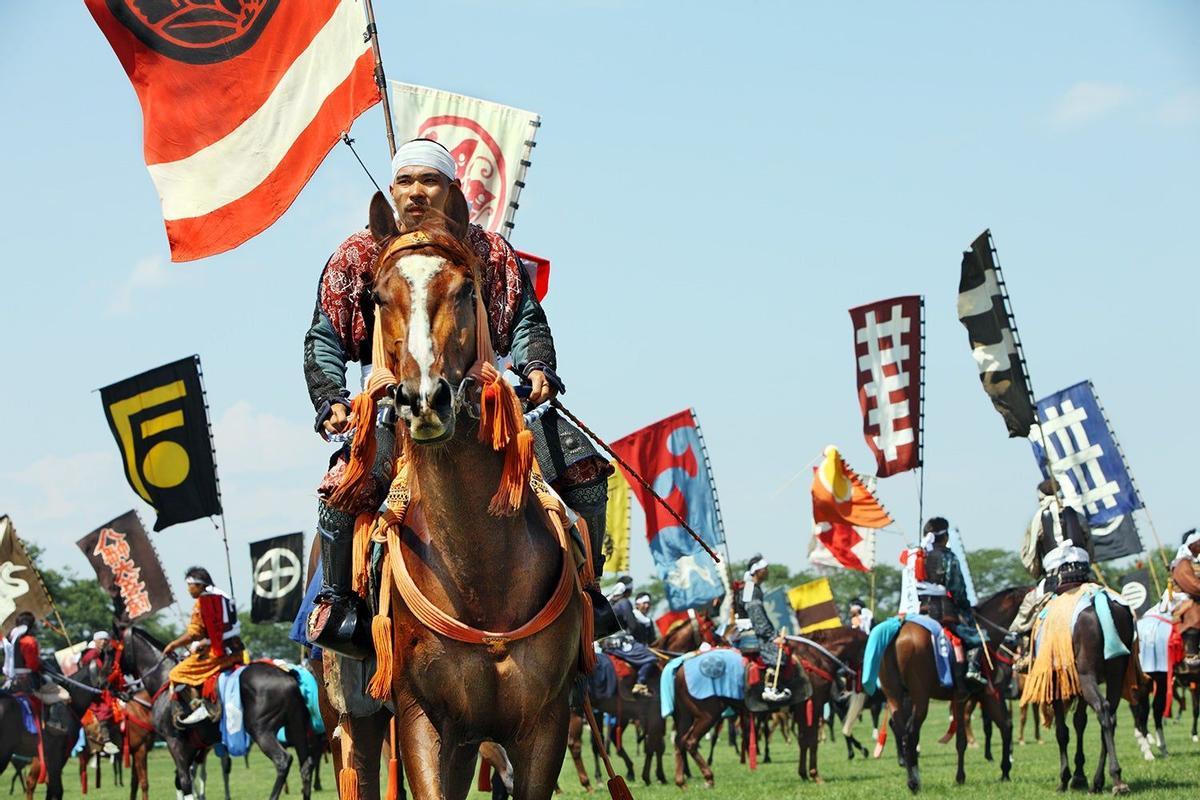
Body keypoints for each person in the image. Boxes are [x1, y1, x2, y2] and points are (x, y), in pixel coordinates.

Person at [303, 138, 615, 658]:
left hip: (486, 399)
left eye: (429, 181)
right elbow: (325, 337)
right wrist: (331, 395)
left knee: (582, 463)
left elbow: (525, 320)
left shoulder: (489, 251)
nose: (416, 193)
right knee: (341, 488)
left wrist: (537, 365)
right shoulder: (359, 254)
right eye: (405, 182)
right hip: (396, 400)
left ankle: (590, 591)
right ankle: (341, 605)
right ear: (392, 192)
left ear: (452, 191)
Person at [1011, 479, 1095, 646]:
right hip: (1085, 575)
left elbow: (1029, 555)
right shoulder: (1077, 516)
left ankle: (1024, 655)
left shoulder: (1038, 520)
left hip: (1055, 581)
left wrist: (1036, 572)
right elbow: (1090, 546)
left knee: (1026, 612)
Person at [162, 567, 243, 726]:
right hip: (237, 650)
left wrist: (173, 645)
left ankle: (200, 705)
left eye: (189, 585)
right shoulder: (223, 596)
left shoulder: (202, 602)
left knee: (175, 673)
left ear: (199, 585)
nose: (188, 590)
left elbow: (195, 634)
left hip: (219, 654)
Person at [918, 518, 985, 686]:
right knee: (978, 637)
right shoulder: (948, 557)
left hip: (918, 610)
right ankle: (973, 670)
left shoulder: (918, 555)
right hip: (942, 611)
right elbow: (957, 588)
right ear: (945, 536)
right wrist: (965, 606)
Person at [743, 554, 790, 702]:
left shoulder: (752, 587)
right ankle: (770, 688)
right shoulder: (751, 588)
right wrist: (772, 636)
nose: (768, 571)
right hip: (752, 633)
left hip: (754, 629)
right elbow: (756, 615)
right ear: (757, 571)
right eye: (765, 569)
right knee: (778, 650)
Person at [602, 579, 658, 696]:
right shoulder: (624, 602)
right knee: (651, 657)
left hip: (606, 644)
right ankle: (640, 684)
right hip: (620, 644)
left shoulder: (610, 600)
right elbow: (632, 627)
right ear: (629, 590)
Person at [1171, 530, 1200, 668]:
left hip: (1195, 597)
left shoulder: (1194, 561)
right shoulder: (1182, 564)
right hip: (1183, 599)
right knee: (1194, 614)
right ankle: (1191, 654)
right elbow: (1193, 585)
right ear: (1191, 545)